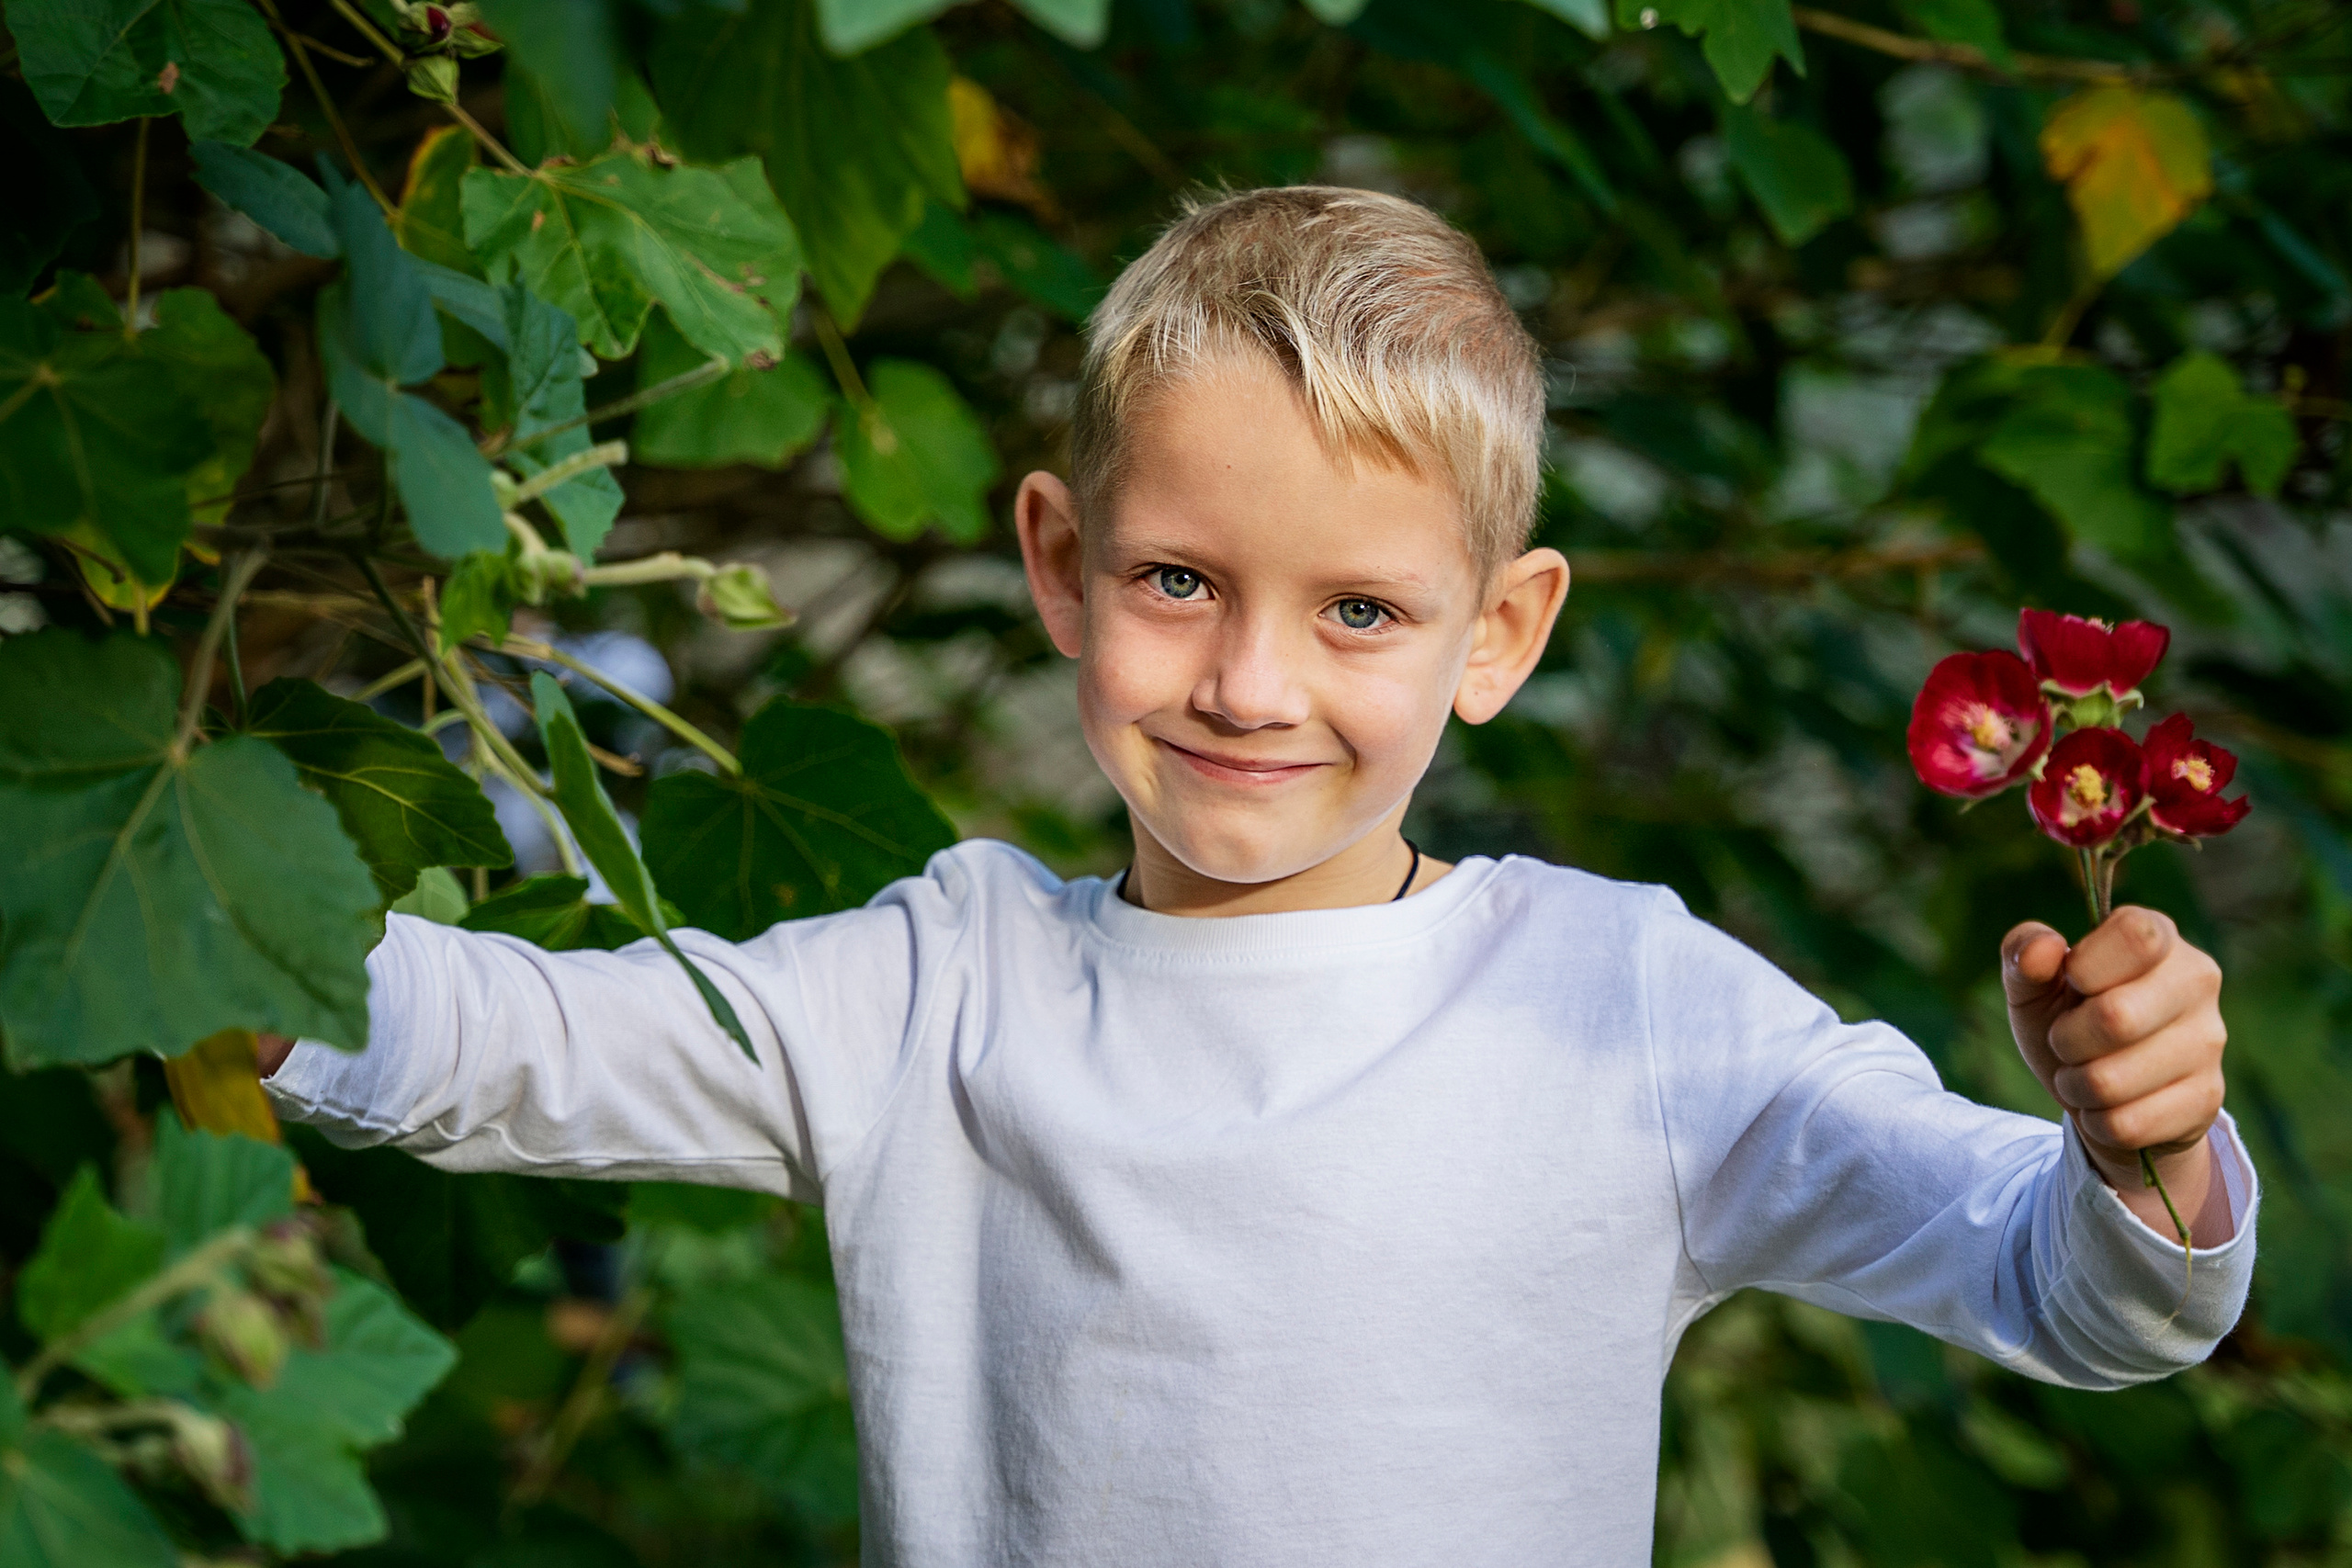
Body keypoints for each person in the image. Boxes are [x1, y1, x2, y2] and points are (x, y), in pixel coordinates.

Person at [261, 186, 2256, 1566]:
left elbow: (2068, 1290)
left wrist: (2142, 1146)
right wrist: (207, 929)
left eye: (1361, 607)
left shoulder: (1620, 996)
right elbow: (503, 1036)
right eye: (1176, 579)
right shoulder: (935, 987)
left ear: (1499, 629)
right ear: (1058, 560)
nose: (1245, 681)